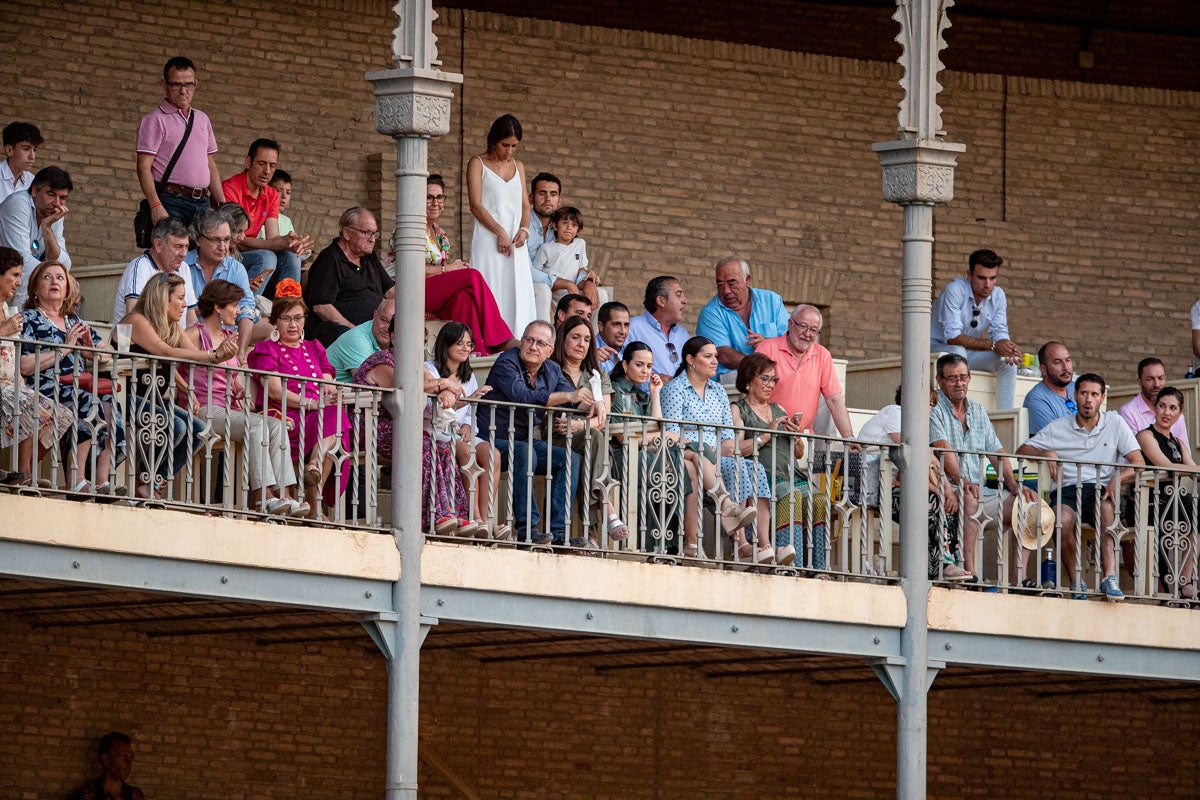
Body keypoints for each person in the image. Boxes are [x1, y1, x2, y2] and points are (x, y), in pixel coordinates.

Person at [182, 279, 306, 516]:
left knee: (276, 426)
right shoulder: (194, 334)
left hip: (230, 408)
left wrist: (238, 387)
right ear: (218, 307)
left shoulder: (232, 336)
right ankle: (264, 497)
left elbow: (232, 377)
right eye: (234, 305)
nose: (238, 311)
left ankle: (286, 496)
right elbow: (181, 367)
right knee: (257, 426)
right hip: (204, 406)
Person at [1015, 373, 1144, 601]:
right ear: (1075, 396)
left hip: (1101, 489)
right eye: (1083, 393)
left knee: (1106, 511)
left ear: (1102, 398)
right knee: (1061, 521)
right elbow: (1021, 451)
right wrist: (1046, 452)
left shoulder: (1114, 422)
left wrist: (1119, 477)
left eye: (1094, 394)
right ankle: (1076, 581)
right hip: (1067, 490)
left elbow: (1138, 461)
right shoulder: (1058, 427)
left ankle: (1109, 577)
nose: (1088, 399)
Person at [357, 319, 486, 537]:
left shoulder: (412, 364)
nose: (419, 344)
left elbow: (433, 383)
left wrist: (444, 390)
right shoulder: (383, 361)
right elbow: (402, 386)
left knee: (444, 447)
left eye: (422, 340)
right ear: (395, 337)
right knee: (426, 447)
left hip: (406, 428)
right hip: (375, 428)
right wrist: (443, 385)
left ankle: (456, 515)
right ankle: (432, 516)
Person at [477, 321, 591, 548]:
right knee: (525, 451)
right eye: (529, 340)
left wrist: (593, 404)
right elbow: (523, 398)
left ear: (550, 350)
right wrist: (570, 397)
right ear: (521, 342)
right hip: (491, 438)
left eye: (541, 343)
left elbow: (571, 401)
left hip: (523, 440)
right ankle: (527, 531)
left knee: (569, 459)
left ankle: (558, 533)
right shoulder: (507, 362)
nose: (533, 347)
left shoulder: (553, 369)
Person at [248, 279, 353, 521]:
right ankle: (314, 505)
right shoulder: (266, 350)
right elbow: (274, 391)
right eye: (286, 318)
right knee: (333, 420)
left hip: (318, 414)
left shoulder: (314, 347)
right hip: (286, 416)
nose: (293, 324)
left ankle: (314, 465)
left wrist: (331, 394)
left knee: (335, 413)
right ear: (274, 321)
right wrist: (311, 403)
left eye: (298, 318)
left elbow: (327, 383)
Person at [660, 336, 772, 564]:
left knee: (753, 468)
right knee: (734, 467)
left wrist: (726, 447)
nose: (714, 362)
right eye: (708, 356)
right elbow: (673, 432)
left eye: (715, 357)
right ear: (690, 360)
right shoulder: (674, 389)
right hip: (686, 453)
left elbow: (728, 434)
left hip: (719, 454)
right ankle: (740, 543)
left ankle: (763, 544)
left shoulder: (718, 391)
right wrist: (711, 450)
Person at [118, 272, 228, 499]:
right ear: (161, 299)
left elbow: (192, 355)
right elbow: (164, 352)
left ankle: (154, 480)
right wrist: (213, 355)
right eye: (179, 298)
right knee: (176, 426)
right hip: (124, 395)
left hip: (153, 398)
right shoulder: (136, 320)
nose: (185, 304)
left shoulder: (171, 326)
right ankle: (145, 479)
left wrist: (186, 386)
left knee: (199, 431)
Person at [931, 354, 1037, 584]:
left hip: (980, 491)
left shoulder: (978, 410)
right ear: (939, 380)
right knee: (970, 496)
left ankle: (1019, 580)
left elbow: (997, 453)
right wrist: (963, 479)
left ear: (970, 378)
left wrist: (1014, 486)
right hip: (949, 488)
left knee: (1027, 506)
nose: (959, 383)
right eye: (952, 378)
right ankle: (970, 572)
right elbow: (942, 449)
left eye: (963, 377)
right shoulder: (934, 408)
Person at [19, 261, 122, 494]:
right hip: (43, 385)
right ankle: (76, 478)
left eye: (60, 278)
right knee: (87, 402)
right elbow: (24, 365)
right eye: (47, 277)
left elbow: (108, 350)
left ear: (67, 290)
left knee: (111, 407)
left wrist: (91, 352)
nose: (54, 281)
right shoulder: (29, 319)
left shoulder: (75, 322)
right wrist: (64, 349)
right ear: (35, 288)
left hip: (75, 386)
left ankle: (101, 480)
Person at [859, 384, 971, 580]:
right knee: (931, 501)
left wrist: (947, 491)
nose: (928, 408)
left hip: (901, 485)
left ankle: (952, 563)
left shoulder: (917, 427)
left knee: (949, 505)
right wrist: (939, 490)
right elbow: (912, 453)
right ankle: (940, 566)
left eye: (931, 403)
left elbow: (930, 461)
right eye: (925, 402)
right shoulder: (896, 413)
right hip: (878, 488)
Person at [731, 353, 833, 570]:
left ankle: (817, 569)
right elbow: (736, 450)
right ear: (749, 380)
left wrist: (796, 436)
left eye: (773, 379)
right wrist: (766, 435)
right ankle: (789, 564)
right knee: (791, 495)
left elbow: (797, 453)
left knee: (820, 500)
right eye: (765, 379)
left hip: (793, 475)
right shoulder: (739, 410)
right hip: (765, 480)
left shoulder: (780, 410)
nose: (771, 385)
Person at [550, 315, 629, 545]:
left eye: (586, 339)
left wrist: (579, 425)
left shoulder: (597, 375)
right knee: (593, 444)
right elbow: (544, 408)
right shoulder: (551, 369)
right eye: (575, 337)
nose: (581, 344)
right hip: (553, 436)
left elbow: (602, 418)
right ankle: (605, 518)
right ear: (563, 339)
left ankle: (594, 530)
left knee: (593, 438)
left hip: (585, 437)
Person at [424, 322, 507, 539]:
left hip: (460, 431)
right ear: (446, 344)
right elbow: (431, 409)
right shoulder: (429, 370)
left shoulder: (468, 376)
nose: (466, 349)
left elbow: (471, 412)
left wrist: (469, 426)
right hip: (436, 429)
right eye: (460, 343)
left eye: (469, 345)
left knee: (493, 454)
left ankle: (488, 518)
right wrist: (467, 401)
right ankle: (475, 518)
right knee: (466, 452)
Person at [417, 173, 514, 356]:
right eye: (429, 197)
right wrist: (451, 269)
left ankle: (477, 353)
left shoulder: (440, 233)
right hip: (413, 291)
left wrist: (455, 268)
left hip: (435, 293)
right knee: (472, 276)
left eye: (439, 197)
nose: (435, 203)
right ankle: (500, 339)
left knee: (464, 298)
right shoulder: (410, 228)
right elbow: (411, 270)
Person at [0, 246, 73, 483]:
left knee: (60, 414)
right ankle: (26, 475)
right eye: (14, 275)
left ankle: (26, 469)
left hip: (11, 384)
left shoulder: (5, 308)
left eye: (20, 276)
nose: (18, 283)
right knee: (33, 407)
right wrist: (4, 330)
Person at [608, 341, 686, 550]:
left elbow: (656, 424)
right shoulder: (616, 390)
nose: (645, 371)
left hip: (643, 453)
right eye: (639, 365)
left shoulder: (640, 392)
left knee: (675, 462)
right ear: (625, 365)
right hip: (620, 455)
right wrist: (661, 435)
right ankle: (666, 541)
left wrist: (655, 393)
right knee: (667, 462)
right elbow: (623, 438)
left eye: (649, 366)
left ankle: (669, 538)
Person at [467, 114, 536, 336]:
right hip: (488, 239)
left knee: (516, 292)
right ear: (493, 140)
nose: (509, 151)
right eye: (504, 145)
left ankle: (516, 339)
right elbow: (475, 205)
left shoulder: (519, 166)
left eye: (514, 146)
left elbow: (526, 205)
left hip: (516, 241)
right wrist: (499, 232)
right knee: (491, 288)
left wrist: (524, 230)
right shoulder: (477, 163)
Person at [136, 56, 225, 226]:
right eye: (177, 84)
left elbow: (210, 163)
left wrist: (222, 204)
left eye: (189, 84)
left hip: (203, 202)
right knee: (173, 251)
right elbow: (143, 167)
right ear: (164, 83)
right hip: (171, 201)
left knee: (204, 252)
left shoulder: (202, 119)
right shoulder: (154, 120)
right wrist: (155, 205)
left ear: (196, 84)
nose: (183, 91)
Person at [930, 248, 1021, 409]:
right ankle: (956, 409)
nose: (987, 285)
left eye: (993, 278)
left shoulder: (998, 295)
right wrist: (993, 345)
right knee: (958, 352)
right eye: (981, 278)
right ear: (969, 275)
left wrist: (1007, 347)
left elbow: (999, 331)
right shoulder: (955, 290)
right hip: (934, 350)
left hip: (965, 352)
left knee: (1008, 363)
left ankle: (1004, 415)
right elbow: (952, 336)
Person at [222, 138, 311, 298]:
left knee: (292, 256)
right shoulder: (230, 188)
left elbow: (273, 237)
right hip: (229, 253)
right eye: (261, 163)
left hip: (249, 252)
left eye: (272, 165)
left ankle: (286, 310)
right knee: (267, 257)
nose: (267, 171)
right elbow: (234, 239)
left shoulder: (271, 194)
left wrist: (291, 242)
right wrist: (278, 243)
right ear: (248, 162)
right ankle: (242, 308)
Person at [1134, 386, 1199, 600]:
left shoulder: (1178, 442)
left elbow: (1192, 468)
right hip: (1151, 502)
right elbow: (1166, 465)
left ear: (1179, 413)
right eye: (1162, 406)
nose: (1166, 412)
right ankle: (1179, 584)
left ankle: (1185, 579)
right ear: (1155, 407)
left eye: (1172, 408)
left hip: (1174, 502)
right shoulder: (1145, 435)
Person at [754, 304, 855, 439]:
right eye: (803, 326)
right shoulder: (767, 348)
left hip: (802, 440)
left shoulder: (822, 355)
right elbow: (752, 393)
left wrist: (849, 438)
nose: (807, 334)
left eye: (813, 330)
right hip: (768, 433)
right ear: (790, 324)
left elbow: (834, 400)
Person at [303, 207, 394, 347]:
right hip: (339, 334)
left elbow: (390, 291)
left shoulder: (369, 257)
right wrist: (355, 331)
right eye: (367, 232)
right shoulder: (330, 258)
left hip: (370, 333)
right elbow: (321, 306)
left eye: (375, 233)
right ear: (347, 233)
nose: (372, 239)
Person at [185, 208, 261, 363]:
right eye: (215, 240)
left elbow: (246, 310)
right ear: (198, 239)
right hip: (190, 339)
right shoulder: (183, 265)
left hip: (226, 338)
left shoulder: (236, 268)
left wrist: (240, 352)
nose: (223, 246)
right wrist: (214, 306)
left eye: (227, 240)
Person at [696, 256, 788, 378]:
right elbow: (723, 355)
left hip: (775, 372)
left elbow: (789, 343)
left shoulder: (772, 301)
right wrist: (759, 369)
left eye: (731, 283)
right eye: (720, 284)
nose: (726, 291)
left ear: (747, 280)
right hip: (731, 380)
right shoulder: (710, 312)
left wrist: (767, 344)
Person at [0, 166, 72, 308]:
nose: (57, 203)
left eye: (62, 198)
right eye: (51, 194)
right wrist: (56, 277)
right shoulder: (18, 203)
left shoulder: (55, 214)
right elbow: (23, 262)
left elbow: (63, 263)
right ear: (34, 191)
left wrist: (46, 228)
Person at [112, 217, 195, 326]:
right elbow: (134, 319)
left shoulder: (184, 268)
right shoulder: (140, 267)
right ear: (158, 245)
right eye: (178, 247)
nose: (184, 254)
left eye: (186, 247)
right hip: (136, 342)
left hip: (174, 340)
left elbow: (191, 317)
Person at [531, 205, 601, 307]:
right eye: (565, 223)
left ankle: (592, 323)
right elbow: (536, 273)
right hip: (551, 298)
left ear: (579, 230)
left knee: (601, 293)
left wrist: (589, 279)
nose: (569, 228)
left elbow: (581, 269)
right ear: (555, 225)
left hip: (573, 296)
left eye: (574, 225)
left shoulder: (580, 244)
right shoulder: (546, 248)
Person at [627, 276, 690, 384]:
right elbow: (619, 369)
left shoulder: (682, 333)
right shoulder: (632, 328)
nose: (684, 301)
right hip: (647, 398)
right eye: (679, 295)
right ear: (661, 301)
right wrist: (651, 381)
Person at [1119, 357, 1190, 451]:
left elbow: (1185, 452)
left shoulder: (1177, 413)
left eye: (1161, 378)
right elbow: (1135, 455)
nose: (1157, 384)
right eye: (1150, 379)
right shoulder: (1128, 412)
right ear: (1139, 382)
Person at [326, 297, 394, 383]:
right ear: (375, 315)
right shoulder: (357, 340)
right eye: (384, 320)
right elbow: (366, 386)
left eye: (394, 324)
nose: (387, 329)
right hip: (321, 394)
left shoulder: (399, 339)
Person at [1022, 341, 1075, 435]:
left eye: (1067, 360)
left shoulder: (1076, 387)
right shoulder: (1036, 399)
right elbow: (1054, 440)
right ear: (1043, 370)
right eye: (1057, 362)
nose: (1066, 367)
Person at [78, 731, 144, 800]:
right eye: (122, 756)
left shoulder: (135, 795)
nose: (129, 762)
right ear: (106, 760)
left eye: (131, 757)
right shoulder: (89, 795)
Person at [0, 121, 41, 204]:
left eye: (34, 150)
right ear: (9, 150)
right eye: (26, 149)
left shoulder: (32, 182)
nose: (32, 156)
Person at [526, 171, 561, 264]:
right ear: (531, 198)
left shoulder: (563, 227)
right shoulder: (521, 225)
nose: (548, 199)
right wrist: (555, 279)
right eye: (542, 193)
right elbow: (523, 267)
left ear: (559, 200)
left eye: (553, 194)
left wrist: (584, 273)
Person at [595, 301, 630, 374]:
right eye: (616, 324)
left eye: (626, 325)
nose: (623, 331)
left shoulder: (630, 350)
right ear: (601, 326)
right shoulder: (589, 351)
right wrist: (590, 359)